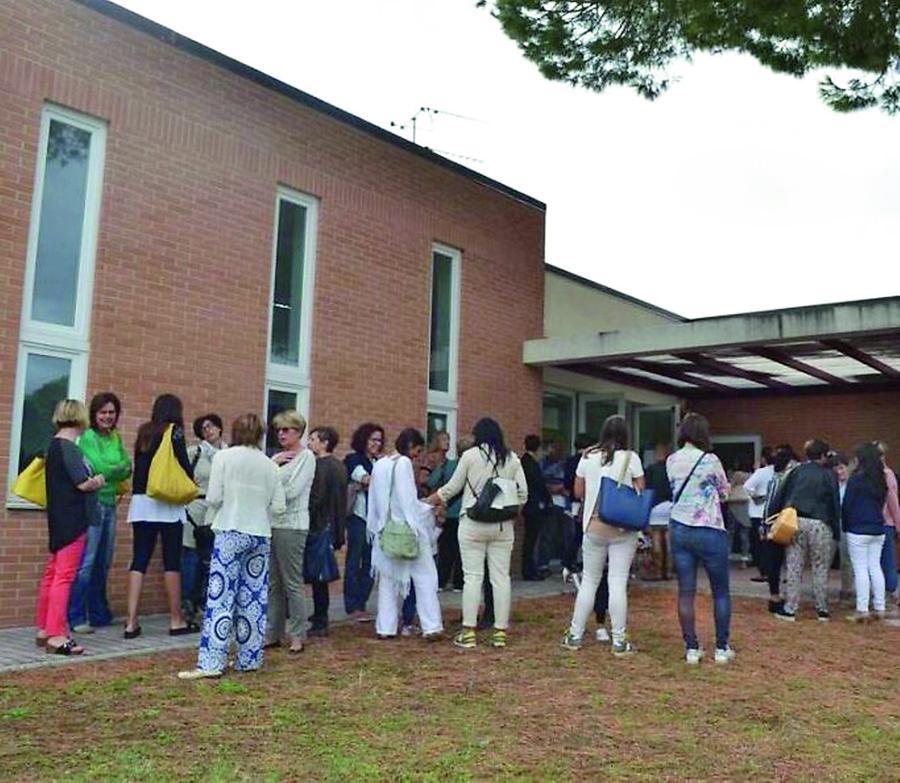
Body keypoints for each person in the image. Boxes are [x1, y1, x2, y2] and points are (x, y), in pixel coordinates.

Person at [178, 414, 286, 679]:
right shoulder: (270, 465)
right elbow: (279, 506)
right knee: (252, 598)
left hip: (230, 529)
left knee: (221, 597)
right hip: (260, 532)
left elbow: (214, 497)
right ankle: (249, 658)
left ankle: (212, 662)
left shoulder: (224, 457)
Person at [430, 417, 528, 650]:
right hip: (502, 526)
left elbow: (451, 488)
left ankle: (468, 632)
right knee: (500, 578)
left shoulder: (470, 456)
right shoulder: (512, 459)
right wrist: (509, 511)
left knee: (472, 577)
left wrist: (430, 501)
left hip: (472, 522)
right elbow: (523, 494)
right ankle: (500, 633)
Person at [561, 415, 645, 656]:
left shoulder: (588, 457)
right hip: (622, 528)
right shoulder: (632, 457)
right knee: (617, 582)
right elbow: (640, 489)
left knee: (589, 580)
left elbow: (578, 492)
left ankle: (575, 635)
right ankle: (619, 640)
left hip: (593, 525)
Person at [36, 400, 106, 655]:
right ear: (79, 418)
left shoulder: (53, 446)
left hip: (58, 517)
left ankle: (44, 628)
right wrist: (98, 480)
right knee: (64, 576)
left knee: (52, 573)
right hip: (73, 519)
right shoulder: (69, 448)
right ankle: (56, 635)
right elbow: (82, 483)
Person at [125, 393, 198, 639]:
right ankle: (176, 620)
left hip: (141, 501)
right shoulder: (174, 431)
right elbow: (184, 466)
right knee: (171, 560)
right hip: (166, 501)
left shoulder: (144, 432)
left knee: (139, 559)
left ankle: (131, 621)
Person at [666, 413, 733, 665]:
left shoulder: (672, 460)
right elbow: (724, 492)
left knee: (686, 591)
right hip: (709, 527)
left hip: (680, 527)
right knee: (720, 591)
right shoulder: (710, 460)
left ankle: (692, 648)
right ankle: (722, 648)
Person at [368, 428, 443, 640]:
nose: (418, 457)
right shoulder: (403, 464)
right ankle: (432, 625)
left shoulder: (380, 464)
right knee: (425, 576)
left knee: (388, 581)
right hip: (407, 530)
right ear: (411, 447)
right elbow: (408, 502)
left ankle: (385, 627)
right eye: (418, 451)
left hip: (385, 529)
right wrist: (427, 509)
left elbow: (374, 500)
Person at [68, 392, 132, 633]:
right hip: (92, 504)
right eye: (103, 412)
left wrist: (114, 470)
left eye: (112, 412)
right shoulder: (88, 437)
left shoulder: (115, 437)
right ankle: (75, 616)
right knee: (87, 561)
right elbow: (98, 466)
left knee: (104, 561)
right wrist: (117, 468)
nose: (107, 416)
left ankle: (98, 613)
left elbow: (129, 467)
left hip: (110, 504)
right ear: (94, 414)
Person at [769, 439, 841, 622]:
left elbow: (781, 495)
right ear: (824, 456)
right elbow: (834, 502)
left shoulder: (796, 471)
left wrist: (773, 518)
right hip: (821, 522)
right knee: (820, 567)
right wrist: (836, 528)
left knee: (794, 566)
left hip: (796, 520)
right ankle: (822, 609)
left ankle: (791, 608)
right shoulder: (829, 475)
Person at [265, 410, 316, 654]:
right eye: (279, 430)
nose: (281, 434)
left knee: (292, 583)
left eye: (286, 429)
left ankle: (297, 633)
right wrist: (273, 466)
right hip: (272, 524)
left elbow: (293, 491)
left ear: (298, 431)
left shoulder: (306, 457)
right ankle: (272, 632)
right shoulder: (277, 457)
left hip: (292, 526)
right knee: (273, 583)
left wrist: (273, 477)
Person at [181, 413, 225, 624]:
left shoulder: (228, 453)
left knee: (213, 558)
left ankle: (208, 601)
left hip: (219, 509)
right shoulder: (194, 453)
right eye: (204, 427)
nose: (208, 430)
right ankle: (188, 601)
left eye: (212, 426)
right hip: (196, 507)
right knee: (192, 556)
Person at [307, 426, 348, 637]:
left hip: (320, 525)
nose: (310, 442)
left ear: (324, 443)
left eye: (313, 439)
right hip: (333, 525)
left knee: (318, 576)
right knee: (319, 575)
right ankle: (319, 614)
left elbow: (317, 498)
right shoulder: (339, 466)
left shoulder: (321, 466)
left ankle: (320, 619)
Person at [843, 443, 889, 621]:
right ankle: (880, 607)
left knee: (860, 568)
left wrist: (846, 524)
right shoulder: (881, 479)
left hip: (858, 527)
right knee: (875, 567)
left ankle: (862, 609)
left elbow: (847, 504)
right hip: (878, 527)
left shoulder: (856, 479)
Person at [343, 422, 384, 621]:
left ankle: (362, 602)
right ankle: (352, 606)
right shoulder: (354, 459)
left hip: (375, 520)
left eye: (379, 440)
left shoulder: (378, 462)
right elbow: (364, 478)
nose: (377, 444)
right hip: (359, 517)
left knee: (371, 562)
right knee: (354, 560)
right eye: (373, 440)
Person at [429, 434, 469, 592]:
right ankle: (459, 583)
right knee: (462, 551)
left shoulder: (447, 465)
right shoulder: (471, 467)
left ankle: (440, 581)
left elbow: (432, 481)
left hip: (447, 513)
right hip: (465, 514)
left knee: (445, 550)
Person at [761, 445, 799, 613]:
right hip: (779, 524)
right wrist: (766, 525)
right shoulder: (779, 480)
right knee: (778, 562)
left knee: (776, 562)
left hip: (775, 524)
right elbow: (770, 505)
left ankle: (776, 595)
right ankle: (776, 596)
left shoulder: (776, 479)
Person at [521, 434, 550, 580]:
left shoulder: (524, 462)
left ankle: (529, 568)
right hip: (533, 506)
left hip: (529, 506)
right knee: (531, 540)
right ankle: (529, 570)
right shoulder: (531, 464)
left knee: (530, 539)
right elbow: (539, 485)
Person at [743, 447, 774, 583]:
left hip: (758, 513)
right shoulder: (780, 472)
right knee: (772, 544)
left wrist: (757, 496)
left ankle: (764, 571)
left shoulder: (761, 472)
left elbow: (747, 487)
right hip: (773, 513)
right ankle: (773, 571)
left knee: (759, 544)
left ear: (763, 459)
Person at [875, 443, 900, 609]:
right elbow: (893, 501)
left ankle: (878, 594)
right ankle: (890, 593)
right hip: (887, 523)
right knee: (888, 560)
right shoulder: (887, 474)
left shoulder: (864, 474)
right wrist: (898, 523)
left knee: (873, 562)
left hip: (871, 523)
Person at [644, 442, 673, 580]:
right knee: (668, 539)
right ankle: (668, 570)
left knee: (656, 538)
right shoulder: (672, 469)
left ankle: (657, 570)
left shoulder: (650, 469)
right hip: (670, 506)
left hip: (655, 506)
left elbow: (645, 489)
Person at [830, 452, 854, 602]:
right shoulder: (832, 486)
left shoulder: (853, 485)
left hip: (847, 523)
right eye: (836, 470)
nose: (840, 472)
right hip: (833, 522)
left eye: (842, 468)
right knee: (827, 556)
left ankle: (847, 589)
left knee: (847, 558)